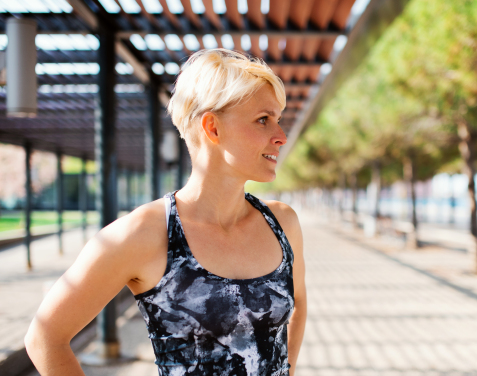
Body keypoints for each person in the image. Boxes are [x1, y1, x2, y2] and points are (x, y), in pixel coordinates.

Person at [24, 49, 307, 376]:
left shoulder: (282, 223)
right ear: (212, 128)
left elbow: (299, 304)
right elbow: (45, 337)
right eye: (263, 119)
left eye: (278, 119)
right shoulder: (144, 233)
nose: (281, 137)